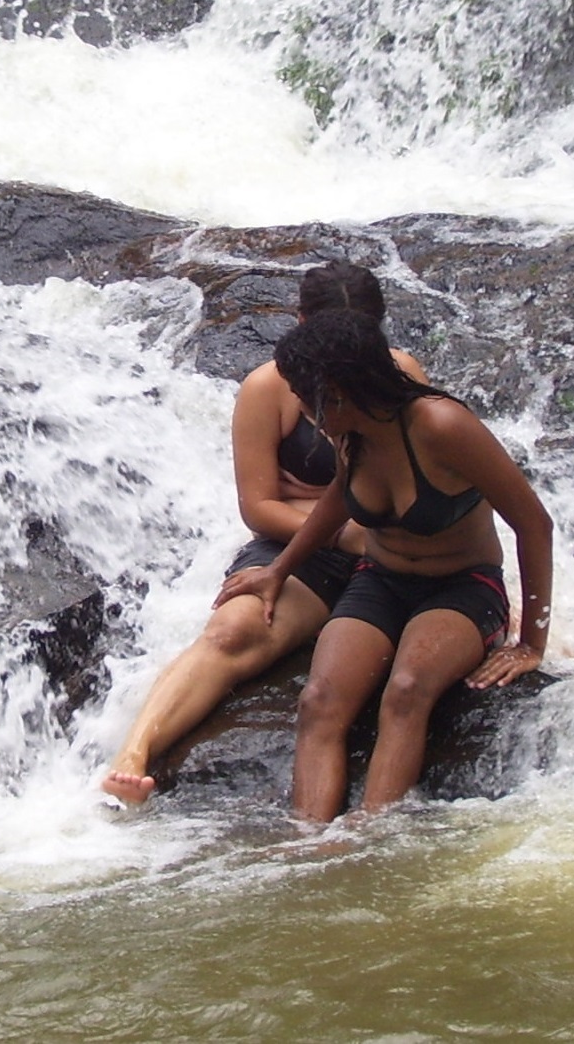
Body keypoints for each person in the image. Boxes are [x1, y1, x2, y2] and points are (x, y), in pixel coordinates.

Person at [101, 263, 425, 805]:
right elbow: (259, 508)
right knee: (233, 630)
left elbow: (427, 488)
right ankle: (134, 753)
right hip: (310, 548)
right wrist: (341, 530)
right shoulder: (268, 389)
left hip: (390, 542)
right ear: (300, 324)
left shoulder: (402, 374)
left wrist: (320, 505)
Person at [215, 307, 552, 822]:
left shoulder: (443, 425)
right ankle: (309, 847)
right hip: (380, 580)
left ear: (337, 391)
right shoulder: (352, 433)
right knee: (319, 700)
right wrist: (278, 569)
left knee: (406, 690)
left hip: (462, 587)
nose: (300, 409)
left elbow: (535, 524)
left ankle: (372, 840)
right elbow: (336, 502)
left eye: (305, 396)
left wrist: (531, 642)